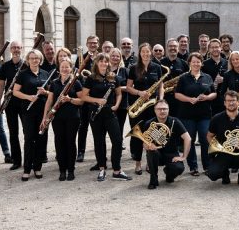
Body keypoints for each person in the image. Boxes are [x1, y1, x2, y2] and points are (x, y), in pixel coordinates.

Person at [80, 53, 131, 182]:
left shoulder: (114, 78)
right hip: (96, 114)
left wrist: (117, 105)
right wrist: (97, 100)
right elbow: (83, 96)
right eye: (101, 61)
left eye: (106, 61)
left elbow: (119, 94)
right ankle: (102, 168)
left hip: (109, 113)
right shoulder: (91, 78)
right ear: (96, 63)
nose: (104, 63)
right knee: (99, 142)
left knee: (117, 140)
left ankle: (117, 170)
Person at [41, 57, 83, 181]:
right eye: (62, 67)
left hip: (72, 118)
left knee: (70, 143)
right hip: (57, 118)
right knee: (59, 143)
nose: (64, 69)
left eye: (67, 67)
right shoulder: (54, 83)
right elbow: (49, 100)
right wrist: (45, 116)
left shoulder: (76, 82)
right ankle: (62, 170)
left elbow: (82, 101)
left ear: (71, 68)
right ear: (59, 68)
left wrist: (70, 99)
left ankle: (71, 170)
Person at [174, 52, 216, 176]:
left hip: (204, 115)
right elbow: (177, 94)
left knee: (205, 139)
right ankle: (193, 167)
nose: (196, 64)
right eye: (194, 62)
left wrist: (207, 97)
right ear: (189, 63)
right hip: (187, 115)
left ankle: (207, 166)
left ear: (201, 63)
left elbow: (214, 93)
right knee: (189, 140)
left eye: (198, 62)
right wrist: (189, 99)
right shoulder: (183, 78)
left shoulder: (207, 77)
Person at [127, 43, 165, 175]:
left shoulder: (157, 67)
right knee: (138, 136)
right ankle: (137, 163)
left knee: (152, 135)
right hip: (138, 106)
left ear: (151, 53)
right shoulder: (133, 68)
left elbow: (160, 86)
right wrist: (139, 93)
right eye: (143, 52)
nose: (146, 54)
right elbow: (128, 87)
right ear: (140, 53)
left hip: (153, 106)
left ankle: (150, 162)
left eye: (148, 51)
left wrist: (160, 100)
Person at [12, 49, 49, 181]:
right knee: (29, 139)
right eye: (32, 58)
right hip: (28, 111)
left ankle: (37, 168)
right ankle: (27, 169)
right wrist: (28, 97)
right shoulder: (23, 74)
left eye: (37, 58)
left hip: (43, 111)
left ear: (40, 60)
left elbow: (51, 93)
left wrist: (45, 92)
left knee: (40, 138)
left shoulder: (45, 74)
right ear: (28, 60)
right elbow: (15, 92)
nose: (34, 60)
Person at [206, 90, 239, 188]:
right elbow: (209, 135)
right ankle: (225, 174)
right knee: (212, 175)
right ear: (224, 103)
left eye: (233, 100)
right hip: (223, 153)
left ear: (238, 102)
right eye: (228, 101)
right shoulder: (216, 118)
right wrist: (215, 146)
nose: (231, 103)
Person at [141, 100, 191, 189]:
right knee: (151, 152)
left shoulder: (175, 122)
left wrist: (184, 157)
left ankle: (169, 174)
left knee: (179, 168)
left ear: (168, 110)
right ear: (155, 110)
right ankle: (153, 179)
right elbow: (144, 143)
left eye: (164, 109)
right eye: (159, 109)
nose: (162, 111)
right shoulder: (149, 124)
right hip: (156, 154)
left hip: (172, 154)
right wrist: (148, 146)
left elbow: (188, 138)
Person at [0, 40, 24, 170]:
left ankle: (31, 158)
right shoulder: (5, 66)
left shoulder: (26, 64)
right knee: (13, 133)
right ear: (10, 50)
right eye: (14, 47)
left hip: (24, 102)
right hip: (10, 102)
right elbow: (1, 85)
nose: (16, 49)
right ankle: (16, 160)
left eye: (18, 47)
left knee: (28, 131)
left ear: (22, 49)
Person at [76, 35, 100, 163]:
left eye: (94, 43)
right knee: (83, 126)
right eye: (90, 43)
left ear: (98, 44)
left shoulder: (102, 58)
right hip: (85, 97)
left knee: (98, 127)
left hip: (97, 96)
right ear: (86, 44)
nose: (92, 45)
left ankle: (99, 155)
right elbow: (76, 75)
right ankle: (81, 152)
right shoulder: (81, 58)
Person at [160, 38, 188, 119]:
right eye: (170, 46)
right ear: (167, 48)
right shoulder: (160, 63)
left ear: (178, 47)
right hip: (164, 98)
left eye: (175, 46)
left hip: (179, 99)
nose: (172, 48)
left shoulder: (184, 64)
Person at [202, 38, 228, 116]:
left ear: (220, 48)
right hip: (210, 97)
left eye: (217, 47)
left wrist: (224, 79)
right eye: (212, 47)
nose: (215, 49)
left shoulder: (227, 63)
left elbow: (231, 78)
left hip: (224, 97)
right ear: (209, 49)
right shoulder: (204, 64)